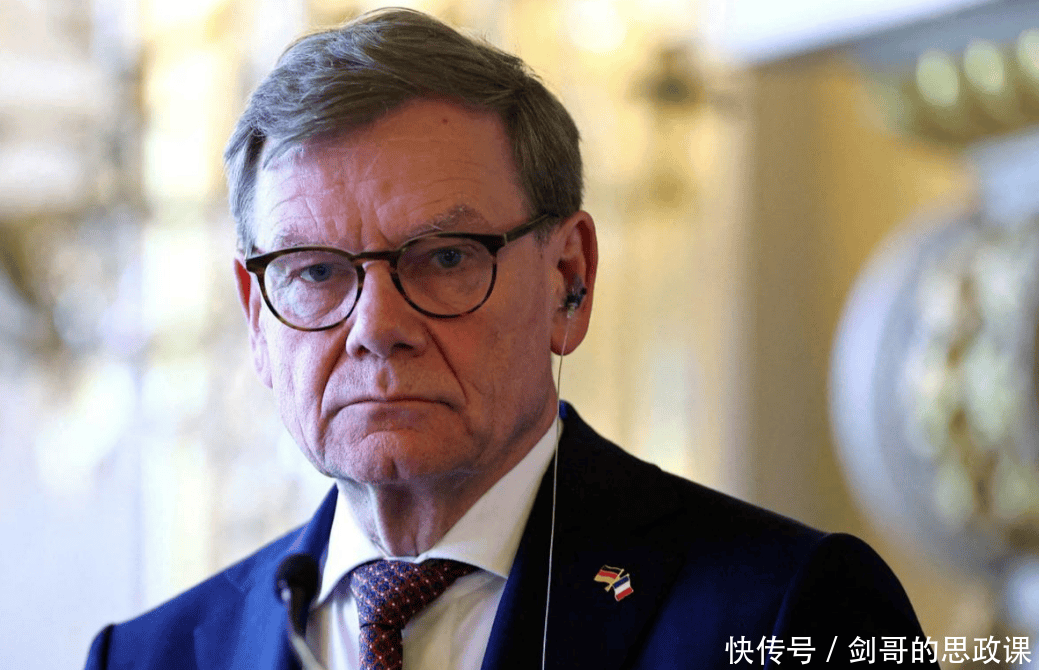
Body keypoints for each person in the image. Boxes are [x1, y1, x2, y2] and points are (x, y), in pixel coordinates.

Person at [85, 8, 938, 670]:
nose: (376, 329)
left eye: (444, 258)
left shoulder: (788, 610)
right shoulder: (147, 657)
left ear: (568, 279)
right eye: (315, 272)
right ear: (256, 317)